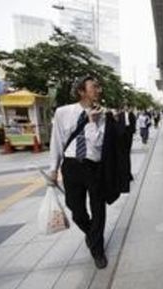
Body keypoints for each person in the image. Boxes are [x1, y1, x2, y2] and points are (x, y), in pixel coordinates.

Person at [48, 76, 119, 269]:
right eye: (94, 86)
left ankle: (97, 250)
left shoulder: (103, 115)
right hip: (71, 165)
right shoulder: (63, 112)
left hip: (94, 166)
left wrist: (92, 122)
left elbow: (98, 143)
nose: (99, 90)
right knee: (76, 210)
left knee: (98, 208)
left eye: (99, 86)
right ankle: (92, 234)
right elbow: (57, 141)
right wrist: (53, 169)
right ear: (82, 91)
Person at [118, 103, 136, 192]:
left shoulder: (131, 114)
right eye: (124, 106)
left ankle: (127, 175)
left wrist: (132, 131)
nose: (125, 108)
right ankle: (125, 175)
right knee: (123, 155)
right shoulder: (120, 115)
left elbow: (133, 123)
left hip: (128, 133)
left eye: (126, 106)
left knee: (127, 153)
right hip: (122, 135)